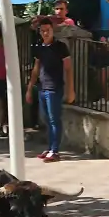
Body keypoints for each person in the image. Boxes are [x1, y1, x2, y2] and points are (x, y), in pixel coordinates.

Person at [26, 18, 75, 163]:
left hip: (55, 87)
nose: (45, 33)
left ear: (53, 30)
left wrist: (70, 90)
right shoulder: (39, 48)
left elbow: (68, 68)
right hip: (42, 87)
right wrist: (30, 88)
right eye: (43, 30)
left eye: (48, 30)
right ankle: (49, 148)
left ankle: (55, 150)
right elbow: (36, 69)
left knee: (54, 119)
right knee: (46, 120)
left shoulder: (60, 47)